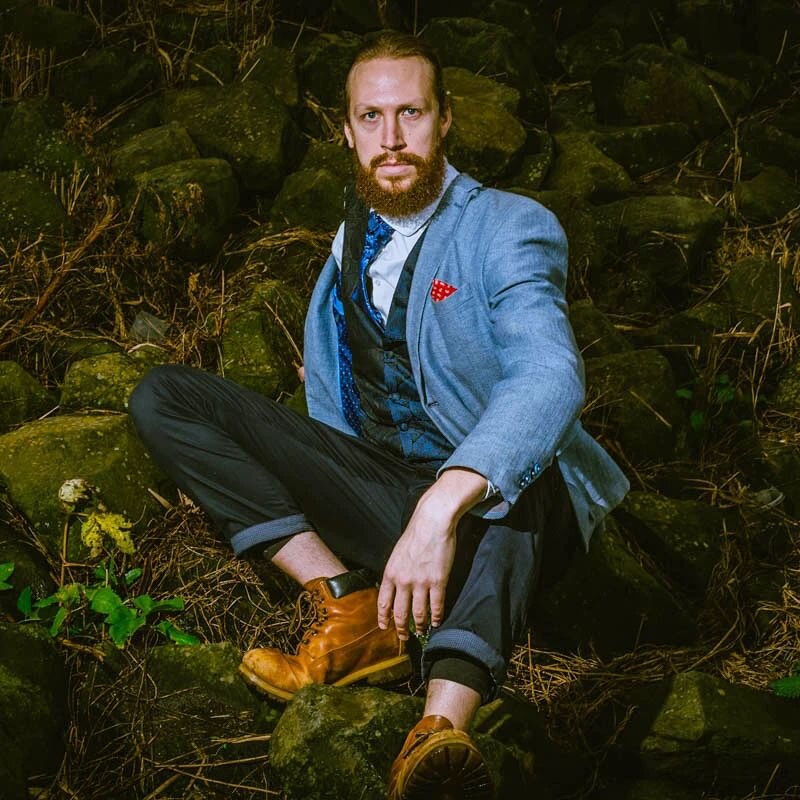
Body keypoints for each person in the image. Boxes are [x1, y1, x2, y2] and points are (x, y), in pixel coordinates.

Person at [129, 31, 628, 800]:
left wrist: (443, 505)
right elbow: (338, 407)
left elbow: (550, 376)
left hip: (502, 511)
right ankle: (347, 607)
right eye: (371, 117)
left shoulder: (507, 227)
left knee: (520, 485)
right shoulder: (349, 241)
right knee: (166, 394)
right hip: (391, 499)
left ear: (446, 120)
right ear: (347, 130)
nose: (391, 139)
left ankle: (441, 725)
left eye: (411, 113)